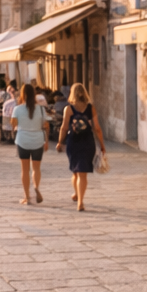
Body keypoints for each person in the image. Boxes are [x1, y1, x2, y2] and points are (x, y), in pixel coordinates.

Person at [56, 83, 104, 212]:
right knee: (83, 174)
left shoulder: (69, 109)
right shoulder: (90, 108)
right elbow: (97, 128)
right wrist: (102, 145)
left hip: (74, 142)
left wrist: (60, 142)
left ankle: (79, 198)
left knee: (76, 172)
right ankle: (80, 199)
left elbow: (64, 128)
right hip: (88, 142)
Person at [10, 83, 47, 205]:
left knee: (25, 170)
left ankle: (27, 197)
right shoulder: (41, 109)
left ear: (22, 94)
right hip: (38, 139)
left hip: (23, 140)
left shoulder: (18, 109)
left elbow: (13, 124)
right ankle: (36, 186)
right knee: (36, 168)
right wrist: (46, 141)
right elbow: (45, 125)